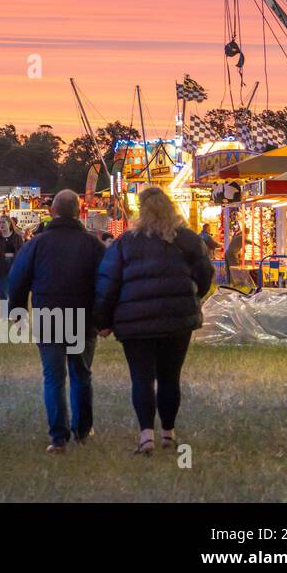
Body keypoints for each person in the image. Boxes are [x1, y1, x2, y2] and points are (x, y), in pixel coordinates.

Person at [93, 185, 215, 455]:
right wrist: (191, 296)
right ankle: (168, 433)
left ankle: (146, 435)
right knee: (170, 378)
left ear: (141, 210)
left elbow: (107, 284)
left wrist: (102, 320)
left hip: (135, 323)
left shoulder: (126, 242)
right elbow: (205, 274)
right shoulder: (188, 239)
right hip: (176, 321)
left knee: (142, 378)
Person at [7, 190, 107, 453]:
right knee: (81, 374)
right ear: (78, 212)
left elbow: (17, 280)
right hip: (83, 319)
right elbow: (106, 284)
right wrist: (105, 317)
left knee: (53, 377)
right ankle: (83, 430)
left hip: (48, 316)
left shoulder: (36, 244)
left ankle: (58, 438)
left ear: (52, 211)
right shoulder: (93, 245)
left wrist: (18, 311)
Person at [0, 215, 24, 310]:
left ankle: (14, 312)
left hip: (14, 266)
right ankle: (4, 315)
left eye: (3, 222)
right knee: (3, 293)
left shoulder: (17, 237)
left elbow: (22, 253)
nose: (1, 224)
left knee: (13, 291)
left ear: (9, 223)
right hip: (1, 267)